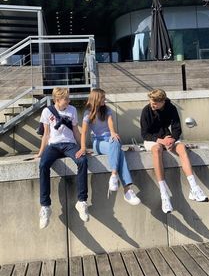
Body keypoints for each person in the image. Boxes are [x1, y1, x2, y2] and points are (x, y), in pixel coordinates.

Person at [140, 88, 208, 214]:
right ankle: (164, 193)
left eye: (155, 103)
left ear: (163, 102)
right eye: (151, 102)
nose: (152, 105)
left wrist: (172, 140)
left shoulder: (171, 108)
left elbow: (177, 128)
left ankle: (194, 188)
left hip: (167, 138)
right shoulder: (146, 110)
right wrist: (161, 141)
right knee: (157, 150)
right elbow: (144, 134)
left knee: (181, 147)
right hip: (153, 139)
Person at [35, 87, 89, 229]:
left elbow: (76, 131)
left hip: (69, 145)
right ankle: (45, 206)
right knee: (43, 165)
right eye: (66, 99)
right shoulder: (47, 111)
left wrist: (83, 147)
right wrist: (41, 152)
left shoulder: (72, 110)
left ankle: (82, 201)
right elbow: (46, 134)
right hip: (53, 146)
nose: (69, 101)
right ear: (57, 100)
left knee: (82, 160)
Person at [77, 88, 140, 205]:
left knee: (116, 143)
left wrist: (112, 132)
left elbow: (110, 122)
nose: (105, 99)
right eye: (103, 97)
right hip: (98, 142)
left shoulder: (107, 110)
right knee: (119, 151)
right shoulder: (88, 113)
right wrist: (83, 147)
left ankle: (114, 176)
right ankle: (127, 189)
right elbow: (84, 132)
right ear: (96, 98)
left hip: (109, 140)